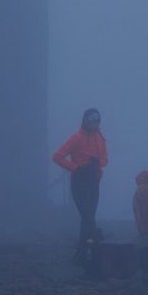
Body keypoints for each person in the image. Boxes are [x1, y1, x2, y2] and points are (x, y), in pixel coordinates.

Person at [53, 108, 109, 264]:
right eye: (92, 120)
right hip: (79, 182)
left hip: (94, 182)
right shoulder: (77, 138)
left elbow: (105, 158)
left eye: (97, 120)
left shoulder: (100, 137)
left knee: (88, 219)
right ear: (85, 120)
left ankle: (82, 252)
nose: (95, 123)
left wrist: (98, 163)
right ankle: (93, 248)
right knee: (88, 217)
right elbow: (57, 156)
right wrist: (76, 167)